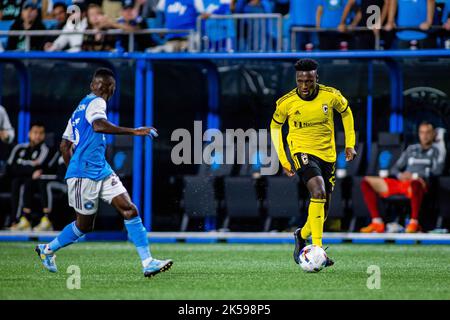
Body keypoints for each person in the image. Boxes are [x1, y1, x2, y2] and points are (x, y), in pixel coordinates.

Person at [35, 68, 173, 278]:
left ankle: (148, 262)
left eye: (105, 86)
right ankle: (47, 250)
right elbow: (99, 126)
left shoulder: (78, 109)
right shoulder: (97, 102)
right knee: (84, 226)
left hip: (101, 170)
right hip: (85, 174)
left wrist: (74, 168)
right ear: (100, 87)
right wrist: (135, 131)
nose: (104, 89)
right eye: (103, 85)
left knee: (129, 209)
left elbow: (64, 145)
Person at [270, 58, 356, 267]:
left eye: (309, 81)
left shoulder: (331, 95)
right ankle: (318, 250)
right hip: (301, 151)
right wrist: (283, 158)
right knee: (318, 192)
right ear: (296, 79)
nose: (304, 86)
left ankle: (302, 234)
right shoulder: (286, 102)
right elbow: (274, 127)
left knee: (323, 209)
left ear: (316, 78)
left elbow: (346, 112)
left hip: (327, 155)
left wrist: (349, 143)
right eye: (300, 81)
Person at [360, 122, 445, 233]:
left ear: (433, 134)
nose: (424, 135)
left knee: (416, 183)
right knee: (366, 181)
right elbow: (394, 169)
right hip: (401, 182)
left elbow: (437, 171)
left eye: (428, 132)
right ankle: (377, 222)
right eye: (422, 132)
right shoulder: (411, 149)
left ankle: (414, 223)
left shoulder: (437, 150)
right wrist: (401, 175)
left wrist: (417, 176)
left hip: (418, 184)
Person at [6, 122, 51, 231]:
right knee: (16, 181)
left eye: (41, 133)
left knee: (26, 183)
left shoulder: (45, 149)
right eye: (35, 132)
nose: (37, 136)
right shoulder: (19, 148)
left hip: (34, 183)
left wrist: (22, 167)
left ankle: (23, 220)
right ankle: (15, 220)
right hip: (16, 179)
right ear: (29, 134)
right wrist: (30, 169)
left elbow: (40, 166)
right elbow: (10, 167)